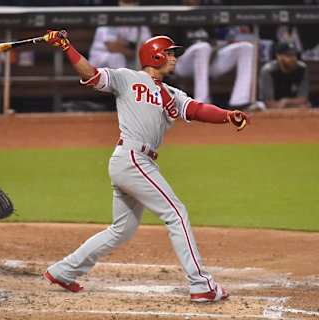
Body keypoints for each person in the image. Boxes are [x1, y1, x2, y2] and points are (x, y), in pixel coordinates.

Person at [42, 30, 249, 302]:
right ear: (156, 54)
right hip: (131, 158)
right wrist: (68, 47)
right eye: (171, 53)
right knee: (176, 212)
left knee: (121, 229)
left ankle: (64, 270)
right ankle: (201, 284)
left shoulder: (171, 93)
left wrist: (227, 115)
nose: (174, 59)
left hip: (134, 162)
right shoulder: (127, 78)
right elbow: (90, 74)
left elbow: (197, 110)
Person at [174, 27, 255, 109]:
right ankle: (201, 102)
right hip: (183, 64)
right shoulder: (176, 18)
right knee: (202, 47)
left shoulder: (211, 18)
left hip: (208, 60)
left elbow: (216, 42)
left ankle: (239, 101)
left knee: (246, 47)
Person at [88, 0, 151, 69]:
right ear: (120, 2)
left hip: (128, 59)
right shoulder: (110, 19)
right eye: (126, 2)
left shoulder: (141, 22)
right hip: (101, 59)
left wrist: (125, 44)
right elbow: (112, 46)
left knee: (143, 60)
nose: (130, 5)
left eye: (133, 2)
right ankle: (122, 80)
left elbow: (147, 46)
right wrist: (133, 48)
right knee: (118, 57)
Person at [259, 41, 310, 109]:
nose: (293, 58)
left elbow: (303, 99)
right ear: (278, 56)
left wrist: (286, 102)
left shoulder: (302, 69)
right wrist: (295, 105)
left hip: (293, 111)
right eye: (288, 55)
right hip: (272, 112)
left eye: (294, 55)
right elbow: (268, 103)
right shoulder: (268, 71)